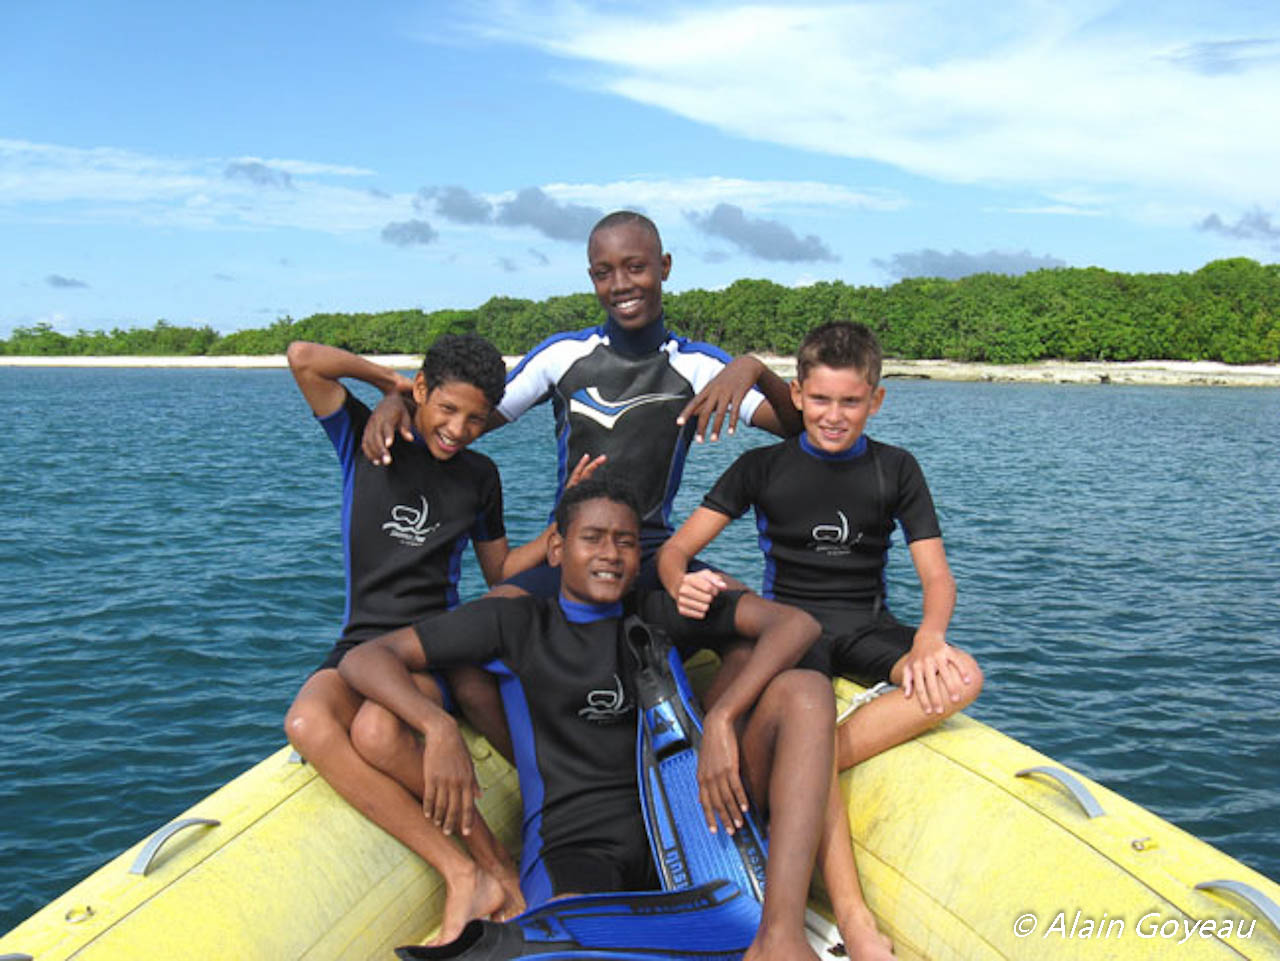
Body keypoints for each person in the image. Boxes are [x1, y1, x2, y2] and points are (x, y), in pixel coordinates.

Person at [338, 479, 871, 961]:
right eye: (592, 538)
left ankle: (779, 938)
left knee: (805, 691)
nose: (610, 554)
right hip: (577, 846)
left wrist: (726, 718)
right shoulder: (516, 622)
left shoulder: (656, 612)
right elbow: (367, 658)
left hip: (688, 821)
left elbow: (795, 624)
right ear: (556, 549)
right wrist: (436, 726)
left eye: (625, 541)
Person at [283, 336, 591, 944]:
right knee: (306, 725)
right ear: (422, 390)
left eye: (477, 418)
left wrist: (561, 526)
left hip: (429, 641)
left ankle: (489, 864)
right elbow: (302, 357)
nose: (459, 429)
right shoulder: (367, 436)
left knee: (376, 730)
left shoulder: (481, 476)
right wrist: (389, 386)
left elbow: (500, 572)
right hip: (359, 639)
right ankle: (462, 868)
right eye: (447, 409)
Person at [360, 210, 801, 594]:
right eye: (603, 272)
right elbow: (464, 419)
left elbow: (798, 430)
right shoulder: (563, 356)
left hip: (650, 553)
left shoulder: (700, 367)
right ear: (591, 278)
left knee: (761, 626)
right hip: (570, 550)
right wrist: (394, 403)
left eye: (636, 267)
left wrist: (753, 368)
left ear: (664, 267)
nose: (621, 284)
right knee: (497, 616)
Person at [657, 320, 984, 773]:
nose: (834, 415)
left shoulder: (896, 468)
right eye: (820, 400)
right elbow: (674, 551)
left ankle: (815, 759)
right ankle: (807, 759)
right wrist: (679, 583)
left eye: (851, 402)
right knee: (799, 706)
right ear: (796, 395)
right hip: (793, 631)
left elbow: (938, 577)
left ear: (876, 401)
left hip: (868, 629)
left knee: (962, 676)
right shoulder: (761, 467)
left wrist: (930, 638)